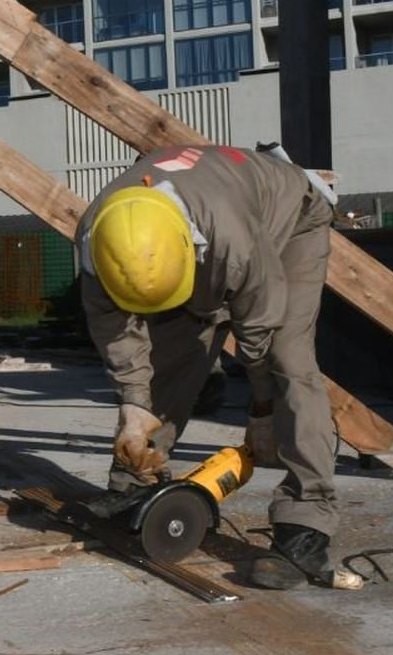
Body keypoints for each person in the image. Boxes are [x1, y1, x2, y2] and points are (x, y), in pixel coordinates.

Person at [76, 144, 348, 589]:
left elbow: (257, 331)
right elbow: (116, 330)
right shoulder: (97, 236)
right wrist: (133, 404)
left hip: (290, 221)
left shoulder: (235, 244)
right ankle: (136, 479)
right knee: (175, 343)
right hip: (210, 222)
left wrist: (262, 411)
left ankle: (306, 524)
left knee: (289, 361)